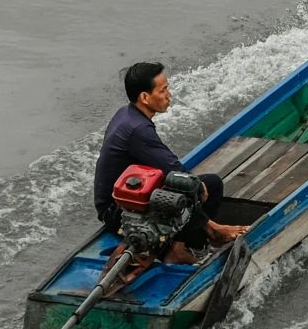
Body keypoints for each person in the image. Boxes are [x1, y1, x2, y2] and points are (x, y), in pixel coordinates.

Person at [93, 62, 246, 262]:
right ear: (145, 97)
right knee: (200, 188)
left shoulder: (126, 114)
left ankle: (192, 238)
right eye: (163, 90)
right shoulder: (139, 130)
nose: (169, 95)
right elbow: (173, 169)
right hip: (118, 212)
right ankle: (185, 248)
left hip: (118, 200)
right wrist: (198, 188)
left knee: (209, 184)